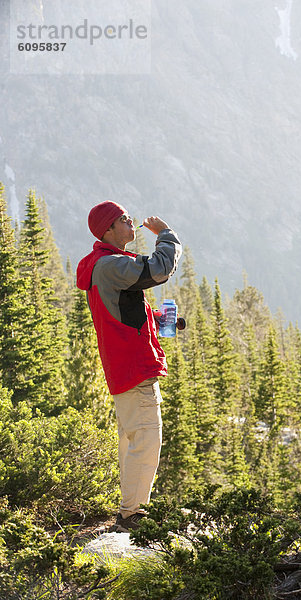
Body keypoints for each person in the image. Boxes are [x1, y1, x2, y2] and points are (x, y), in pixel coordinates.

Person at [76, 200, 182, 532]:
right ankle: (132, 516)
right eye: (123, 219)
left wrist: (162, 319)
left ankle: (128, 511)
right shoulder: (110, 265)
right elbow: (160, 269)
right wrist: (165, 234)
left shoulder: (104, 264)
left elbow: (122, 308)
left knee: (133, 439)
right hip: (134, 367)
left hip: (123, 365)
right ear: (108, 229)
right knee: (147, 439)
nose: (130, 221)